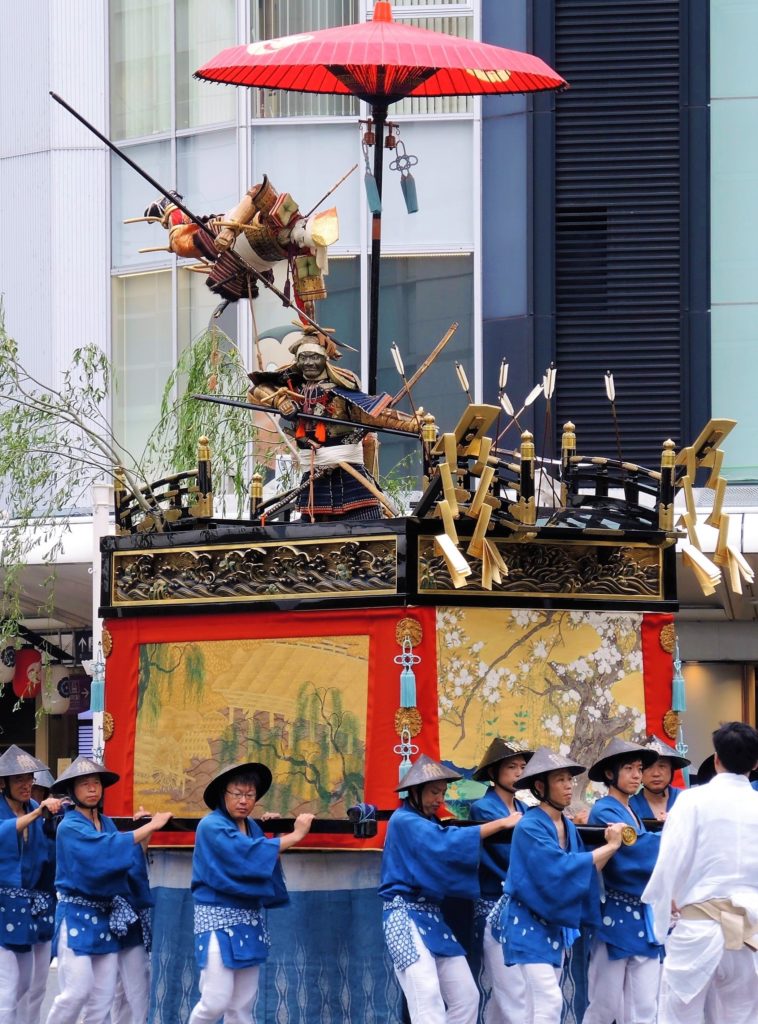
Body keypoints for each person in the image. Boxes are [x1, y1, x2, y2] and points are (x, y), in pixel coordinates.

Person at [380, 752, 520, 1024]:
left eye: (442, 792)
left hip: (432, 917)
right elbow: (445, 841)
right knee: (427, 998)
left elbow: (446, 843)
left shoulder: (427, 822)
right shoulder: (404, 820)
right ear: (415, 792)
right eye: (434, 792)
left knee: (466, 997)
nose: (439, 800)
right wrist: (502, 823)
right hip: (404, 917)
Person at [496, 747, 626, 1024]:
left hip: (552, 925)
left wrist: (610, 849)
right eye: (560, 780)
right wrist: (612, 845)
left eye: (570, 779)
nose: (569, 786)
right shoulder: (530, 826)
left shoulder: (566, 826)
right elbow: (562, 868)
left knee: (537, 1007)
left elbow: (584, 871)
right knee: (549, 1002)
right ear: (540, 787)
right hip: (527, 924)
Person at [642, 721, 758, 1024]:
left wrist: (666, 902)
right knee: (743, 1017)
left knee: (680, 1017)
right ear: (756, 763)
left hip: (698, 927)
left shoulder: (692, 800)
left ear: (716, 759)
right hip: (749, 933)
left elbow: (670, 858)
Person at [44, 756, 171, 1024]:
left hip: (106, 919)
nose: (92, 788)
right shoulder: (70, 826)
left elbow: (125, 860)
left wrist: (144, 833)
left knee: (102, 999)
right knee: (75, 992)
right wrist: (150, 826)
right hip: (77, 913)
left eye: (96, 783)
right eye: (85, 784)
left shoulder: (107, 824)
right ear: (72, 791)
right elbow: (104, 849)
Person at [248, 325, 419, 520]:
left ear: (325, 360)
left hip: (349, 476)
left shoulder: (342, 395)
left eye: (314, 357)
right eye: (304, 358)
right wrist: (280, 401)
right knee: (310, 528)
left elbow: (376, 415)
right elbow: (256, 391)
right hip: (313, 480)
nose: (309, 363)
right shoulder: (291, 390)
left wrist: (415, 425)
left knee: (367, 521)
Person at [188, 760, 314, 1024]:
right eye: (237, 793)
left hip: (248, 920)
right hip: (216, 920)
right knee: (214, 1001)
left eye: (250, 794)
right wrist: (294, 835)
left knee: (242, 1005)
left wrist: (274, 833)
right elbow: (248, 854)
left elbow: (259, 855)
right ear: (223, 794)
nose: (244, 801)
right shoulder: (211, 825)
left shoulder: (252, 826)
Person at [583, 738, 663, 1024]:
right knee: (604, 1006)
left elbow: (641, 844)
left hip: (642, 916)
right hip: (614, 917)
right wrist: (676, 833)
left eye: (639, 768)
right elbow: (636, 849)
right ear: (609, 774)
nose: (636, 775)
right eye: (628, 768)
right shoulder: (604, 809)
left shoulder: (630, 812)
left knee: (644, 1008)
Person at [468, 739, 533, 1024]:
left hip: (522, 908)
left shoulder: (525, 808)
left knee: (517, 991)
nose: (519, 772)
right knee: (512, 991)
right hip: (495, 907)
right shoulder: (483, 808)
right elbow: (510, 857)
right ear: (494, 773)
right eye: (511, 767)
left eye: (522, 766)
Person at [0, 746, 61, 1024]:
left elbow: (50, 852)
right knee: (9, 984)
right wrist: (38, 814)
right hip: (5, 906)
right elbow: (4, 831)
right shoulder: (30, 812)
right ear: (4, 784)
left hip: (37, 903)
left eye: (29, 779)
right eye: (19, 780)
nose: (26, 785)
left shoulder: (36, 808)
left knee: (33, 986)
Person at [629, 734, 690, 821]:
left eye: (662, 766)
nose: (656, 774)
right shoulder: (630, 807)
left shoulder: (686, 800)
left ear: (671, 770)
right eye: (649, 766)